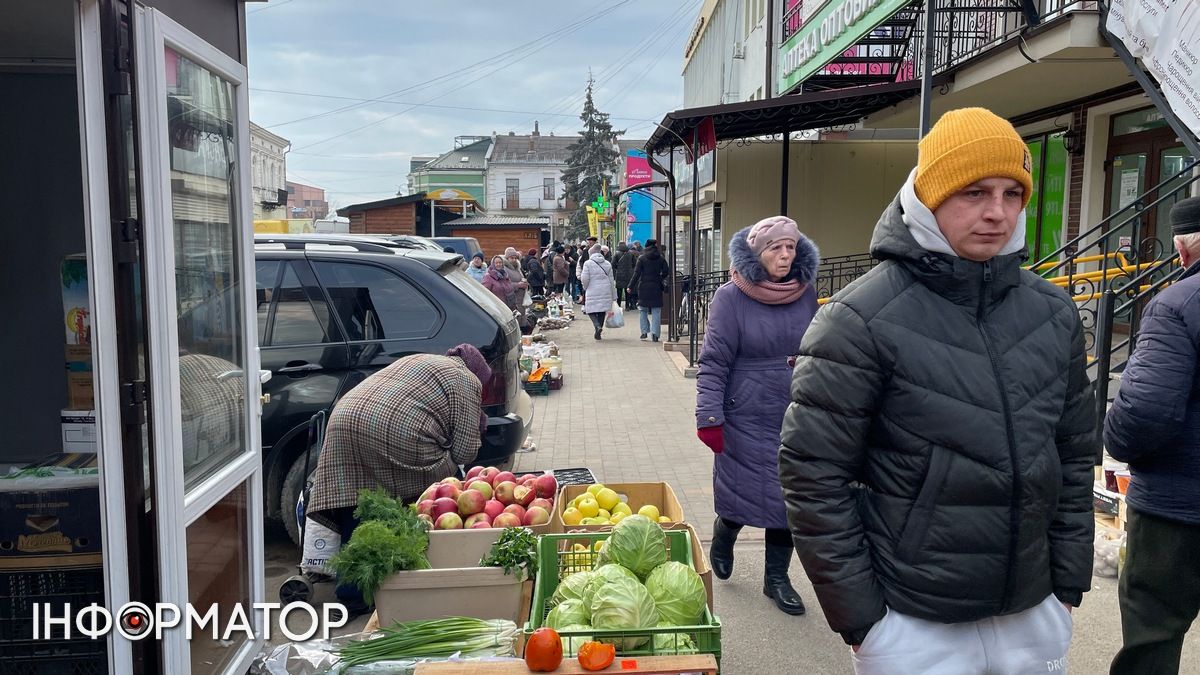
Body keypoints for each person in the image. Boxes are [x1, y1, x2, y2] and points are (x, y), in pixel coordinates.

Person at [777, 107, 1097, 674]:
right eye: (973, 192)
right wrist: (863, 620)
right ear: (927, 197)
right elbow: (813, 477)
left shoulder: (1053, 314)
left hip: (1032, 611)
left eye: (1011, 193)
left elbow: (1073, 457)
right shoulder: (858, 319)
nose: (997, 213)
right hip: (913, 623)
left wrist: (1067, 583)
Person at [306, 344, 491, 616]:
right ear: (477, 373)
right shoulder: (467, 379)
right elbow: (464, 451)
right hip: (393, 432)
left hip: (344, 420)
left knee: (358, 504)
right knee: (440, 494)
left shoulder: (422, 357)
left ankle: (352, 595)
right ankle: (427, 571)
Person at [696, 216, 819, 615]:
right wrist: (709, 417)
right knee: (741, 495)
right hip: (744, 414)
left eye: (790, 247)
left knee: (788, 502)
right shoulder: (730, 297)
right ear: (756, 253)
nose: (785, 255)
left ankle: (777, 579)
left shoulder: (804, 291)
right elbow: (714, 361)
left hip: (795, 412)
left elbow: (820, 350)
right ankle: (723, 534)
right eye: (775, 248)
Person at [1105, 196, 1200, 675]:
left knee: (1152, 642)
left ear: (1182, 251)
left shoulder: (1178, 304)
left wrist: (1112, 440)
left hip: (1175, 512)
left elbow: (1144, 412)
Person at [628, 238, 670, 341]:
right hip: (656, 286)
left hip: (644, 287)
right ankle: (655, 334)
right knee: (656, 311)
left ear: (646, 246)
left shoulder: (642, 258)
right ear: (655, 246)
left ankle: (644, 332)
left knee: (643, 310)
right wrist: (660, 277)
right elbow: (666, 271)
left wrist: (630, 286)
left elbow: (636, 274)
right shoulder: (661, 258)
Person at [580, 243, 615, 340]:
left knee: (590, 310)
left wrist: (585, 287)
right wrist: (613, 295)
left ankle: (597, 326)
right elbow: (611, 280)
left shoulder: (588, 263)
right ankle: (599, 329)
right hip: (605, 290)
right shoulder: (607, 264)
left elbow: (584, 278)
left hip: (592, 289)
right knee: (602, 311)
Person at [613, 242, 637, 309]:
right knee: (628, 291)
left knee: (619, 291)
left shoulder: (617, 254)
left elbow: (613, 264)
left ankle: (618, 305)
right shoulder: (631, 254)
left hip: (620, 275)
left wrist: (618, 268)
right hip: (628, 275)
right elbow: (634, 263)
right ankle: (627, 306)